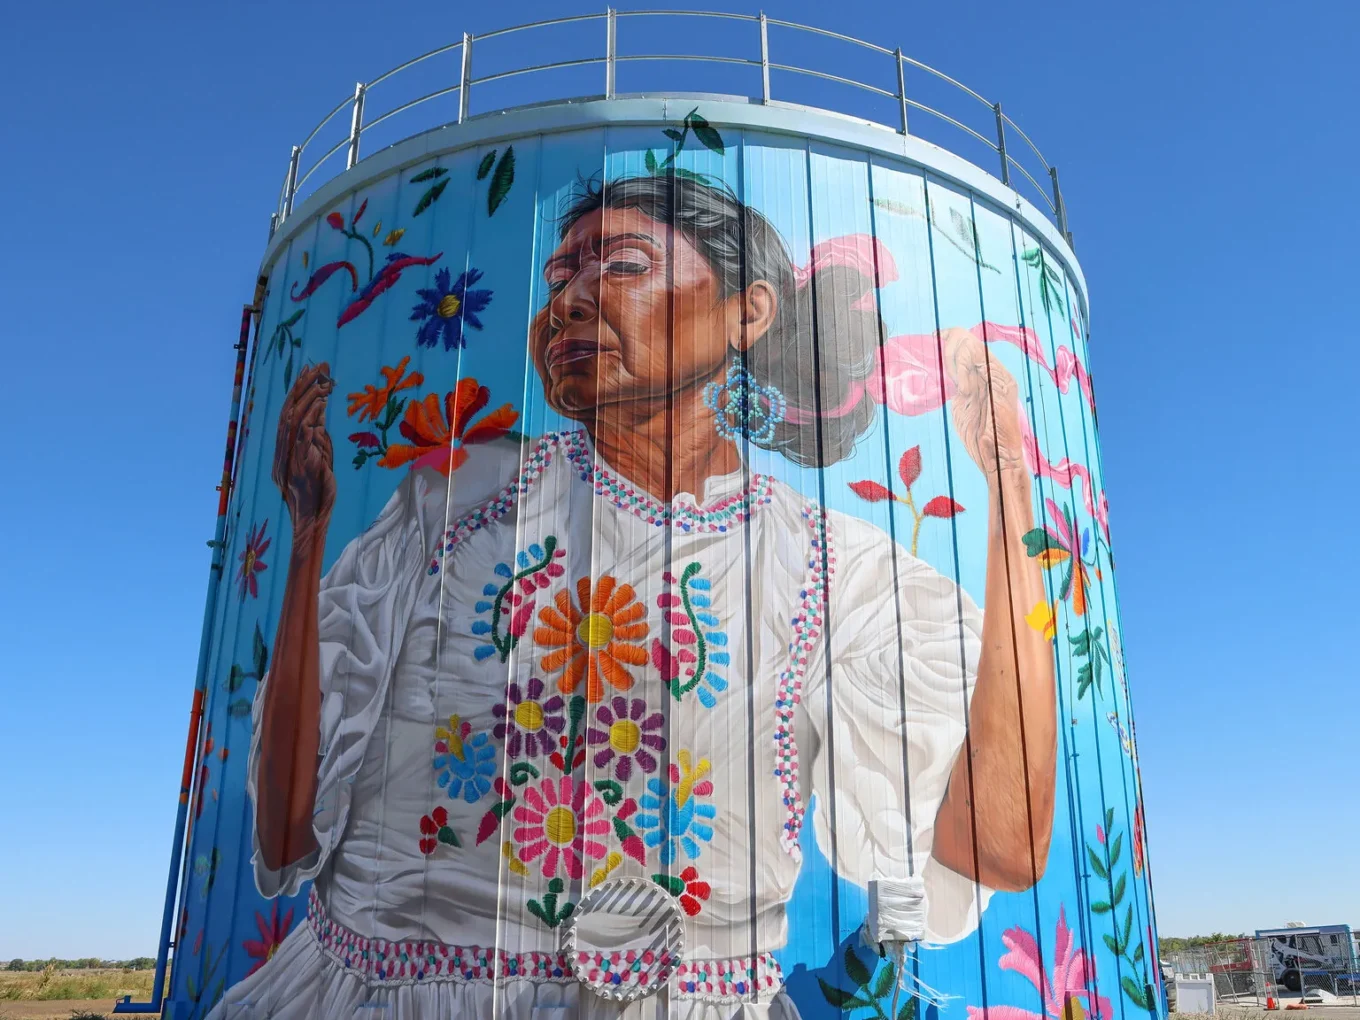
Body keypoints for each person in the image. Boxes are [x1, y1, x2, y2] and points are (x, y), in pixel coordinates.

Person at [214, 175, 1056, 1019]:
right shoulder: (453, 505)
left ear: (746, 313)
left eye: (620, 265)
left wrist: (1009, 485)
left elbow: (1002, 847)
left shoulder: (831, 573)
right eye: (558, 278)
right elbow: (286, 835)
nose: (570, 302)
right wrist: (309, 539)